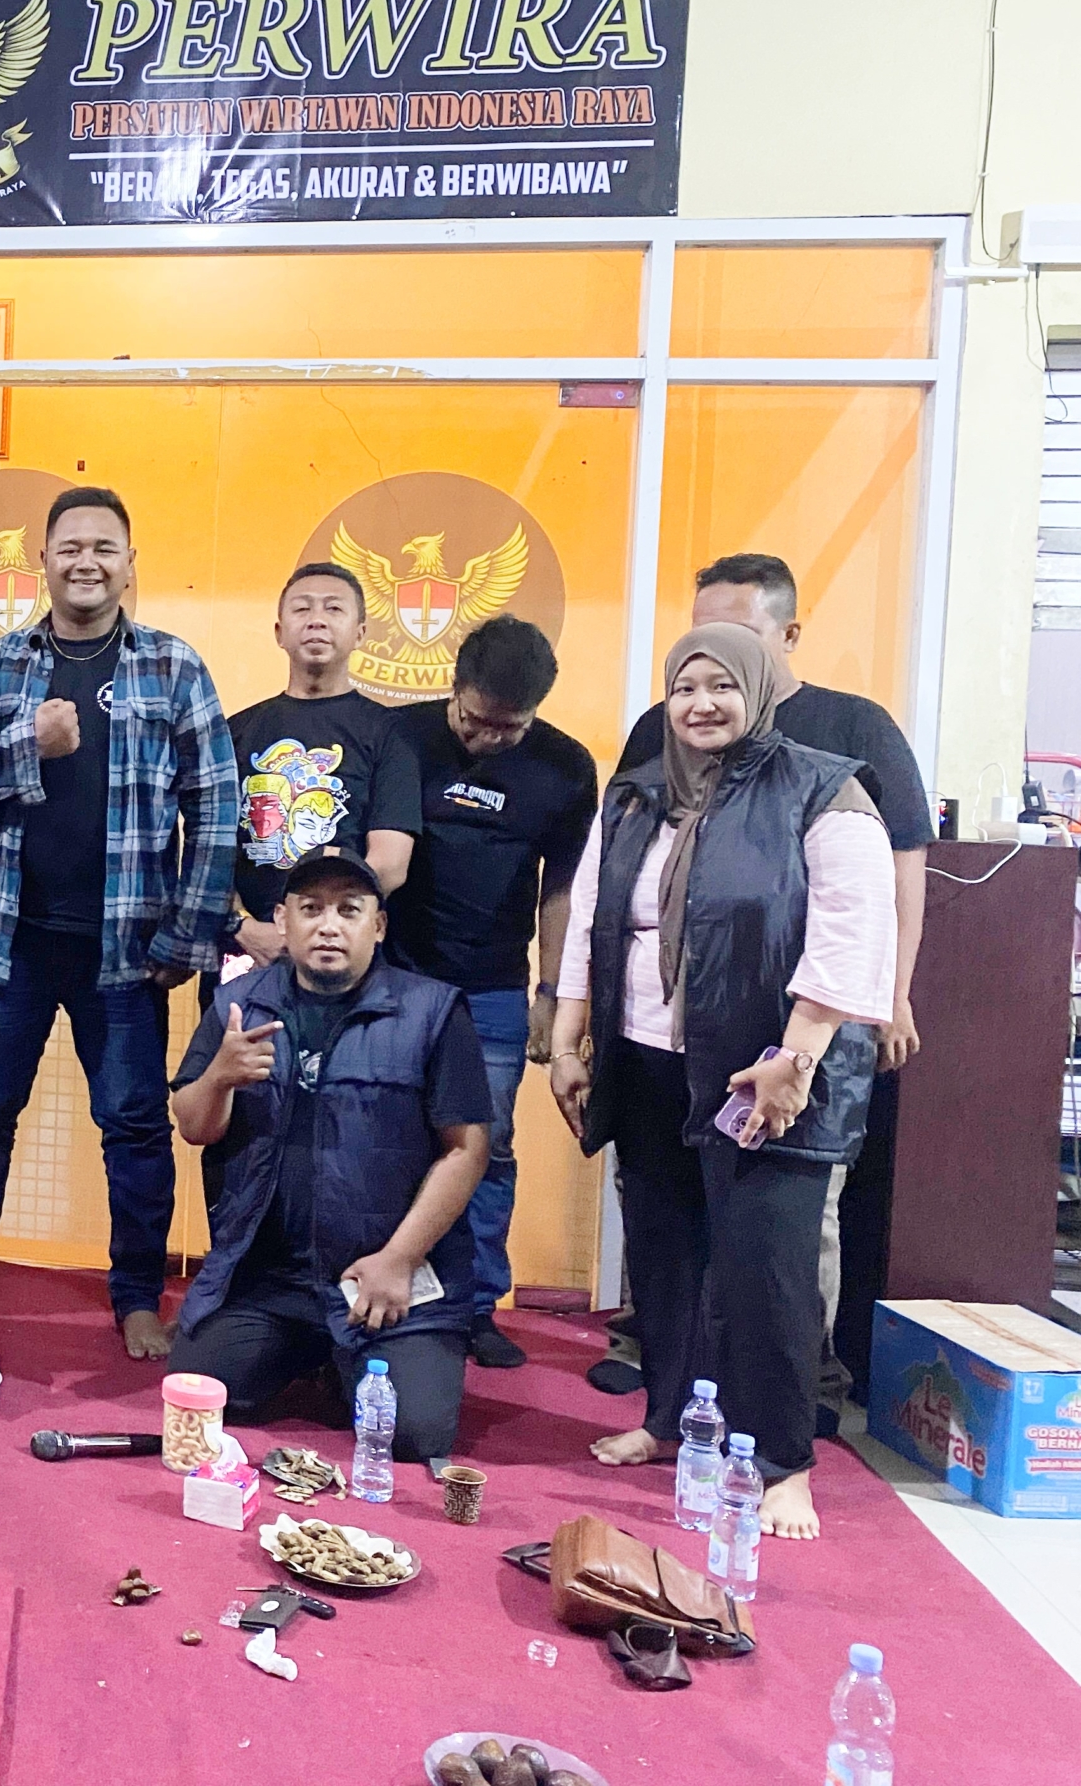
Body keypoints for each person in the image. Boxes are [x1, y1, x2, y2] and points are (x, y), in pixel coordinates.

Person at [550, 624, 896, 1543]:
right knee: (664, 1257)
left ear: (760, 691)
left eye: (722, 687)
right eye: (685, 688)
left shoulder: (825, 789)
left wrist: (797, 1056)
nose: (702, 704)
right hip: (649, 1063)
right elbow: (592, 919)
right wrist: (571, 1036)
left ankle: (782, 1462)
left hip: (768, 1074)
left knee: (766, 1271)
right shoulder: (635, 796)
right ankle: (671, 1421)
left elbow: (853, 931)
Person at [611, 552, 932, 1423]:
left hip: (800, 1033)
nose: (704, 690)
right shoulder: (660, 732)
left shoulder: (850, 732)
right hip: (675, 1034)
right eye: (694, 654)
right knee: (668, 1211)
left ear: (786, 635)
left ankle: (802, 1398)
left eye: (737, 641)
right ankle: (671, 1388)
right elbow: (625, 867)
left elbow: (895, 873)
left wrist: (891, 994)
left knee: (788, 1230)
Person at [0, 486, 238, 1361]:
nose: (86, 561)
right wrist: (26, 742)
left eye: (104, 547)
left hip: (126, 951)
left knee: (133, 1126)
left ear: (130, 564)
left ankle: (136, 1297)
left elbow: (216, 807)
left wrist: (188, 933)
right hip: (8, 942)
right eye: (69, 547)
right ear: (44, 561)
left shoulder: (174, 667)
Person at [169, 848, 493, 1462]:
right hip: (270, 1278)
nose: (328, 926)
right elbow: (194, 1127)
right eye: (311, 909)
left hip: (385, 1279)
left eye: (349, 910)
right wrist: (218, 1078)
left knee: (412, 1436)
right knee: (201, 1392)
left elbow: (467, 1151)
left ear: (379, 925)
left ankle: (355, 1354)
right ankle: (317, 1352)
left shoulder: (433, 1011)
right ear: (282, 920)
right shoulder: (238, 1004)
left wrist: (399, 1259)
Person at [386, 616, 598, 1369]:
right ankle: (392, 1287)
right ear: (454, 686)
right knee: (386, 1136)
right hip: (397, 978)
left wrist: (552, 991)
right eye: (474, 720)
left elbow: (563, 888)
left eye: (509, 728)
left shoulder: (564, 767)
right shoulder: (399, 738)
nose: (487, 739)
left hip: (495, 989)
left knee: (486, 1144)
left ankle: (475, 1306)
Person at [227, 561, 422, 963]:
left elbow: (390, 864)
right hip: (250, 950)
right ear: (279, 632)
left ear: (360, 633)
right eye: (302, 608)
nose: (316, 620)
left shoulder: (390, 733)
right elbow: (209, 853)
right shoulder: (235, 730)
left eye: (334, 608)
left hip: (340, 951)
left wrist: (309, 930)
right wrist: (242, 927)